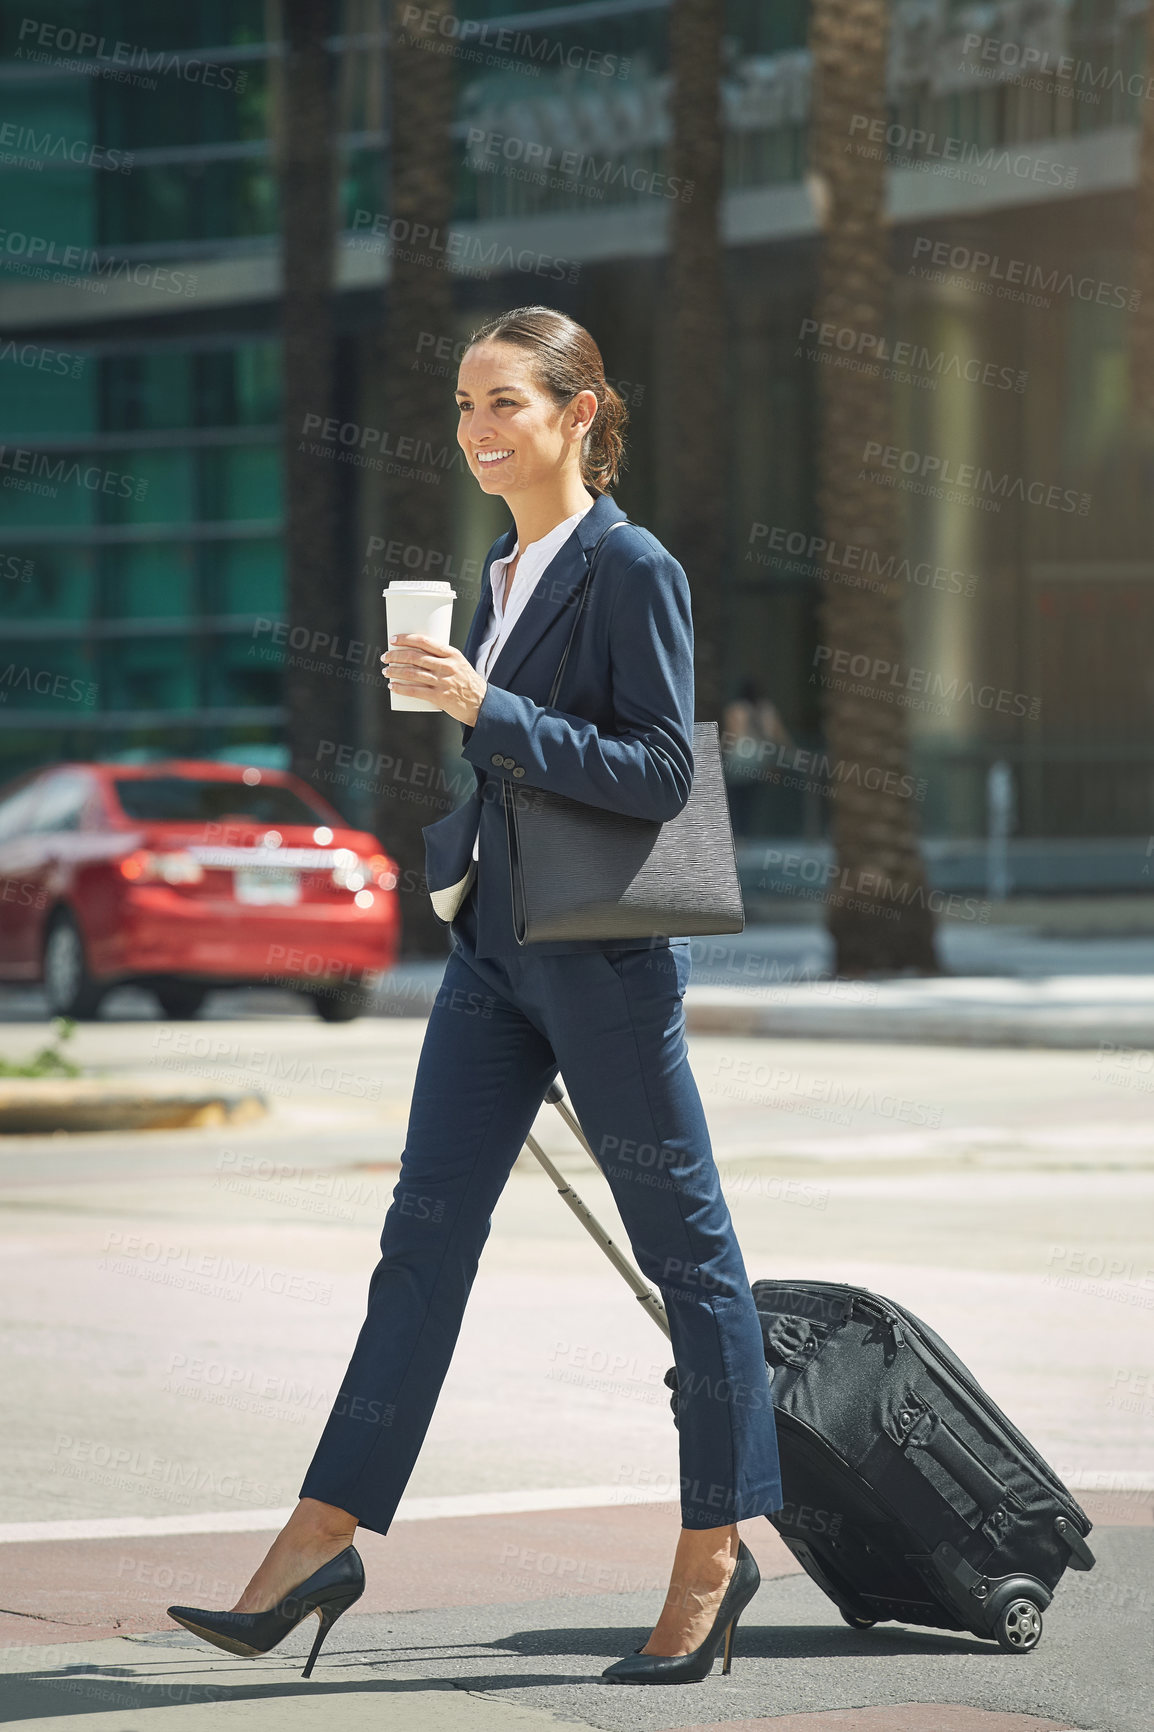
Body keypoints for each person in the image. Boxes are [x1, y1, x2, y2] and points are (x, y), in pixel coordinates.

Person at [166, 306, 783, 1686]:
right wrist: (459, 811)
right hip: (494, 953)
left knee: (689, 1253)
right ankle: (319, 1537)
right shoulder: (498, 572)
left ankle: (712, 1546)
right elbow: (514, 770)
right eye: (462, 406)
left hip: (607, 958)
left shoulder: (632, 567)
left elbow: (657, 776)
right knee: (420, 1244)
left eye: (505, 402)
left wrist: (480, 710)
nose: (475, 430)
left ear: (578, 412)